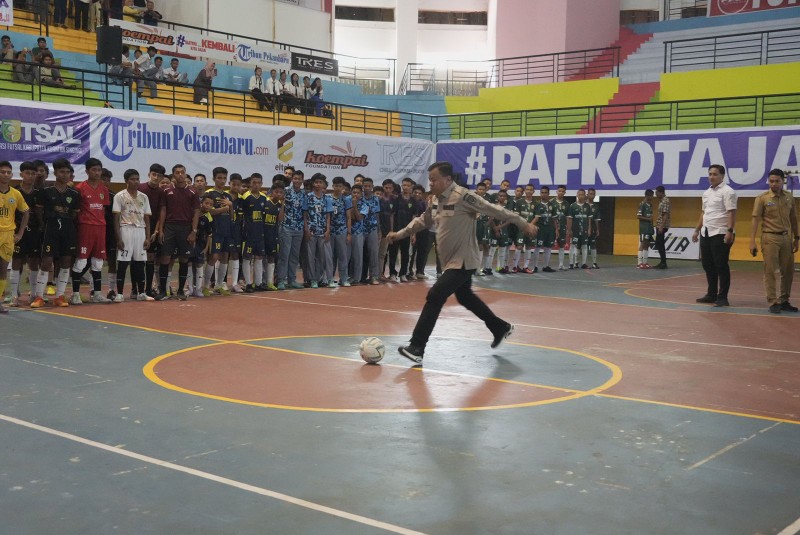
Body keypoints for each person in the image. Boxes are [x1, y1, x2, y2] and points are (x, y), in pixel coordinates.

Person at [387, 162, 538, 364]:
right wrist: (399, 234)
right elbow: (423, 220)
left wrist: (523, 223)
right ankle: (499, 327)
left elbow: (495, 210)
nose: (430, 183)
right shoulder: (434, 200)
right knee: (465, 297)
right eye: (429, 179)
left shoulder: (464, 196)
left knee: (435, 296)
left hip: (464, 260)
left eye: (434, 179)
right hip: (449, 261)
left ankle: (417, 346)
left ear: (448, 179)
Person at [32, 158, 80, 308]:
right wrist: (43, 224)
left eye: (67, 172)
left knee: (66, 262)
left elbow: (74, 214)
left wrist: (65, 221)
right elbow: (38, 210)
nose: (65, 175)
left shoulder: (74, 193)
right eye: (62, 172)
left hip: (67, 229)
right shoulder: (46, 191)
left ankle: (59, 296)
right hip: (50, 228)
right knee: (46, 262)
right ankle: (39, 296)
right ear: (55, 173)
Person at [749, 169, 798, 313]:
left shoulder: (789, 197)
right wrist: (752, 241)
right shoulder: (762, 198)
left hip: (786, 238)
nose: (774, 184)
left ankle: (784, 300)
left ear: (783, 181)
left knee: (788, 271)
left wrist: (797, 238)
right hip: (769, 238)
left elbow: (794, 219)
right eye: (771, 181)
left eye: (777, 181)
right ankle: (773, 301)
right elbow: (755, 219)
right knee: (770, 270)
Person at [692, 164, 738, 307]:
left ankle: (723, 297)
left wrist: (729, 231)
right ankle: (711, 294)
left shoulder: (728, 192)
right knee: (707, 265)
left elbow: (731, 212)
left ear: (722, 176)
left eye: (715, 174)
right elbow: (703, 213)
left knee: (721, 265)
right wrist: (696, 230)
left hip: (721, 232)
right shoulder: (706, 193)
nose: (712, 177)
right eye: (710, 174)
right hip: (706, 232)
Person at [69, 158, 112, 304]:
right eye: (94, 170)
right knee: (81, 261)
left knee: (98, 262)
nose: (97, 173)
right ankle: (75, 294)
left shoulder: (104, 190)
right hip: (85, 227)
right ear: (87, 171)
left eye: (99, 170)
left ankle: (97, 294)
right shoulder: (79, 188)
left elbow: (103, 209)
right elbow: (74, 211)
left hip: (100, 228)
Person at [156, 164, 200, 301]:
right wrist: (161, 229)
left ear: (186, 174)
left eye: (182, 172)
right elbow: (163, 210)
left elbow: (197, 212)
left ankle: (181, 290)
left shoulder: (192, 192)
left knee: (184, 259)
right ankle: (163, 291)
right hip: (169, 227)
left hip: (186, 228)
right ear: (173, 174)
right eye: (177, 172)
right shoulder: (166, 191)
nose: (180, 175)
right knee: (165, 258)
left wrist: (193, 231)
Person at [113, 169, 153, 302]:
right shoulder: (120, 196)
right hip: (126, 229)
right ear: (126, 181)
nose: (136, 182)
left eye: (137, 179)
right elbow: (116, 218)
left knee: (140, 263)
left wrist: (147, 237)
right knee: (123, 263)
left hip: (140, 231)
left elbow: (147, 218)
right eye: (132, 179)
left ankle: (141, 292)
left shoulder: (144, 197)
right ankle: (119, 293)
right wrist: (118, 238)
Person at [0, 162, 30, 314]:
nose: (5, 174)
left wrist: (20, 233)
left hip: (8, 235)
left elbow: (26, 212)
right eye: (2, 172)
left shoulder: (15, 194)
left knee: (3, 268)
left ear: (12, 175)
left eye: (8, 172)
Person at [9, 162, 40, 307]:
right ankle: (14, 295)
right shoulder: (14, 191)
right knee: (16, 261)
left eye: (33, 173)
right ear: (21, 174)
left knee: (34, 262)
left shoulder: (39, 193)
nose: (31, 176)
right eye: (27, 173)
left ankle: (33, 294)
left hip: (34, 232)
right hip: (16, 232)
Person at [276, 169, 307, 290]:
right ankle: (281, 280)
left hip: (298, 228)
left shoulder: (304, 194)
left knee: (294, 255)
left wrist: (305, 227)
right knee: (284, 255)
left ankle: (291, 279)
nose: (297, 181)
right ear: (292, 179)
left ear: (302, 180)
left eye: (299, 179)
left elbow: (305, 212)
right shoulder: (286, 191)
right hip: (286, 227)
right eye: (295, 178)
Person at [240, 174, 268, 293]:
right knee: (247, 257)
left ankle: (258, 283)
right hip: (248, 233)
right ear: (250, 183)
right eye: (254, 182)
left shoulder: (263, 198)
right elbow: (242, 217)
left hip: (260, 232)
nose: (256, 185)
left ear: (261, 184)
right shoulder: (245, 197)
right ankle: (248, 283)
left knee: (259, 257)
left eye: (258, 183)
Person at [329, 176, 352, 286]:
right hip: (331, 231)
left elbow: (348, 217)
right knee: (331, 256)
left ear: (343, 187)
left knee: (342, 256)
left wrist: (348, 233)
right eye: (336, 186)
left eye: (340, 186)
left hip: (342, 231)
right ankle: (330, 278)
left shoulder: (346, 199)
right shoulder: (328, 198)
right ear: (332, 186)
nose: (337, 188)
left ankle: (344, 279)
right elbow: (327, 216)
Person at [532, 185, 556, 272]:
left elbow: (554, 218)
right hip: (540, 229)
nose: (544, 194)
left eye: (546, 193)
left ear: (549, 194)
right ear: (540, 193)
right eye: (542, 192)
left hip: (550, 229)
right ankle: (535, 266)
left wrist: (556, 230)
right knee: (537, 247)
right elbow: (535, 218)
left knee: (548, 248)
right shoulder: (537, 204)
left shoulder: (552, 205)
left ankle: (546, 266)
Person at [566, 189, 590, 269]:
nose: (581, 196)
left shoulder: (587, 206)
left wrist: (589, 228)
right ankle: (571, 263)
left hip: (584, 229)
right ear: (577, 195)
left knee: (584, 246)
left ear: (585, 195)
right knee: (573, 245)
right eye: (579, 194)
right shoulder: (573, 206)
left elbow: (589, 218)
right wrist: (569, 230)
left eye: (582, 194)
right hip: (575, 230)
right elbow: (569, 219)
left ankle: (583, 263)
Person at [551, 185, 570, 270]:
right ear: (556, 191)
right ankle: (546, 265)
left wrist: (568, 229)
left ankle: (561, 264)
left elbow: (568, 217)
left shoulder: (566, 204)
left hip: (562, 227)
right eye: (559, 191)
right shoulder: (551, 202)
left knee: (561, 245)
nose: (561, 192)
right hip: (551, 227)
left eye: (563, 191)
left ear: (565, 193)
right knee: (547, 246)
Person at [636, 189, 654, 270]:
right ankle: (639, 263)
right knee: (642, 244)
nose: (652, 198)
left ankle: (645, 262)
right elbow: (638, 216)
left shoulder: (650, 205)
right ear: (647, 195)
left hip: (649, 228)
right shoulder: (642, 204)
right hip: (643, 228)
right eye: (651, 196)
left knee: (647, 244)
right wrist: (648, 219)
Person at [653, 185, 671, 269]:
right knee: (659, 243)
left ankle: (664, 263)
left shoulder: (665, 201)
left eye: (657, 193)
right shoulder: (661, 201)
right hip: (659, 224)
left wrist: (661, 226)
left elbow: (665, 214)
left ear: (661, 192)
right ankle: (662, 261)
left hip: (662, 225)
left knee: (660, 243)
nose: (656, 194)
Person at [586, 187, 601, 269]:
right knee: (579, 245)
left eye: (593, 194)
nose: (592, 195)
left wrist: (598, 229)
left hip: (593, 229)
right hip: (583, 228)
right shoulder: (583, 205)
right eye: (590, 194)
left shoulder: (596, 206)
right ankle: (576, 263)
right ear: (587, 194)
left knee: (593, 244)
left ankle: (594, 263)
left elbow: (597, 219)